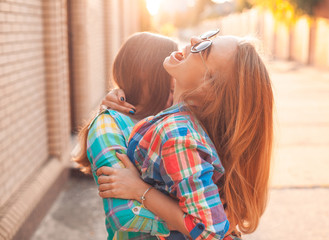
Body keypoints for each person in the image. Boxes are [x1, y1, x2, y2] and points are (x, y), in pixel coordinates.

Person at [96, 30, 274, 239]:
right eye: (209, 37)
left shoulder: (177, 135)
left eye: (204, 49)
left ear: (208, 87)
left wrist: (140, 191)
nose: (194, 40)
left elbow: (209, 232)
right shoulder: (182, 121)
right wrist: (117, 100)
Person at [74, 32, 191, 240]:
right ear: (145, 72)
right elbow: (125, 214)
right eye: (169, 67)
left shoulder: (173, 116)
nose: (176, 79)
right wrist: (192, 223)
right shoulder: (109, 125)